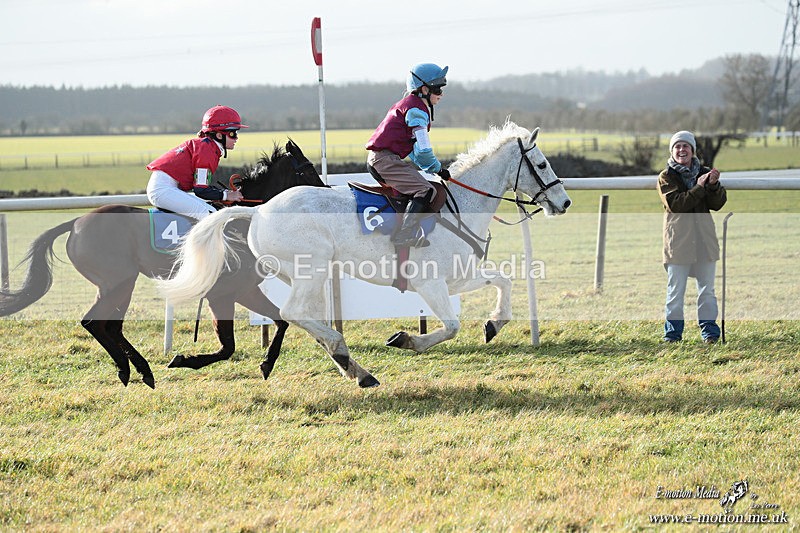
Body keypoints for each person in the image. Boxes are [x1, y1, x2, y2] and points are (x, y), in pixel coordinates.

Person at [366, 62, 451, 247]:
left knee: (424, 187)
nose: (441, 94)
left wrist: (433, 168)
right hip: (384, 161)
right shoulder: (416, 111)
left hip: (384, 159)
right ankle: (403, 235)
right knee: (426, 190)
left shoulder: (410, 106)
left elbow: (415, 152)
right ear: (424, 89)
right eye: (437, 89)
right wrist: (437, 167)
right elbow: (424, 149)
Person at [657, 130, 728, 343]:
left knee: (707, 290)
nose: (681, 150)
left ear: (692, 150)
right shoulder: (666, 177)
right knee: (675, 293)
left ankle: (710, 334)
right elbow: (677, 204)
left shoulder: (705, 173)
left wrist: (713, 185)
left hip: (705, 240)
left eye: (685, 146)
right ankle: (672, 336)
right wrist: (700, 186)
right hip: (678, 242)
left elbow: (718, 203)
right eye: (677, 146)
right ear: (672, 151)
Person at [146, 105, 246, 220]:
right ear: (219, 135)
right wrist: (226, 195)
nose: (236, 138)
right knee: (210, 215)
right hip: (163, 190)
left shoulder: (208, 147)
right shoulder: (207, 150)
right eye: (233, 134)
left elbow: (202, 188)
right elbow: (200, 190)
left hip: (167, 188)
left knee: (212, 209)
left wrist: (224, 193)